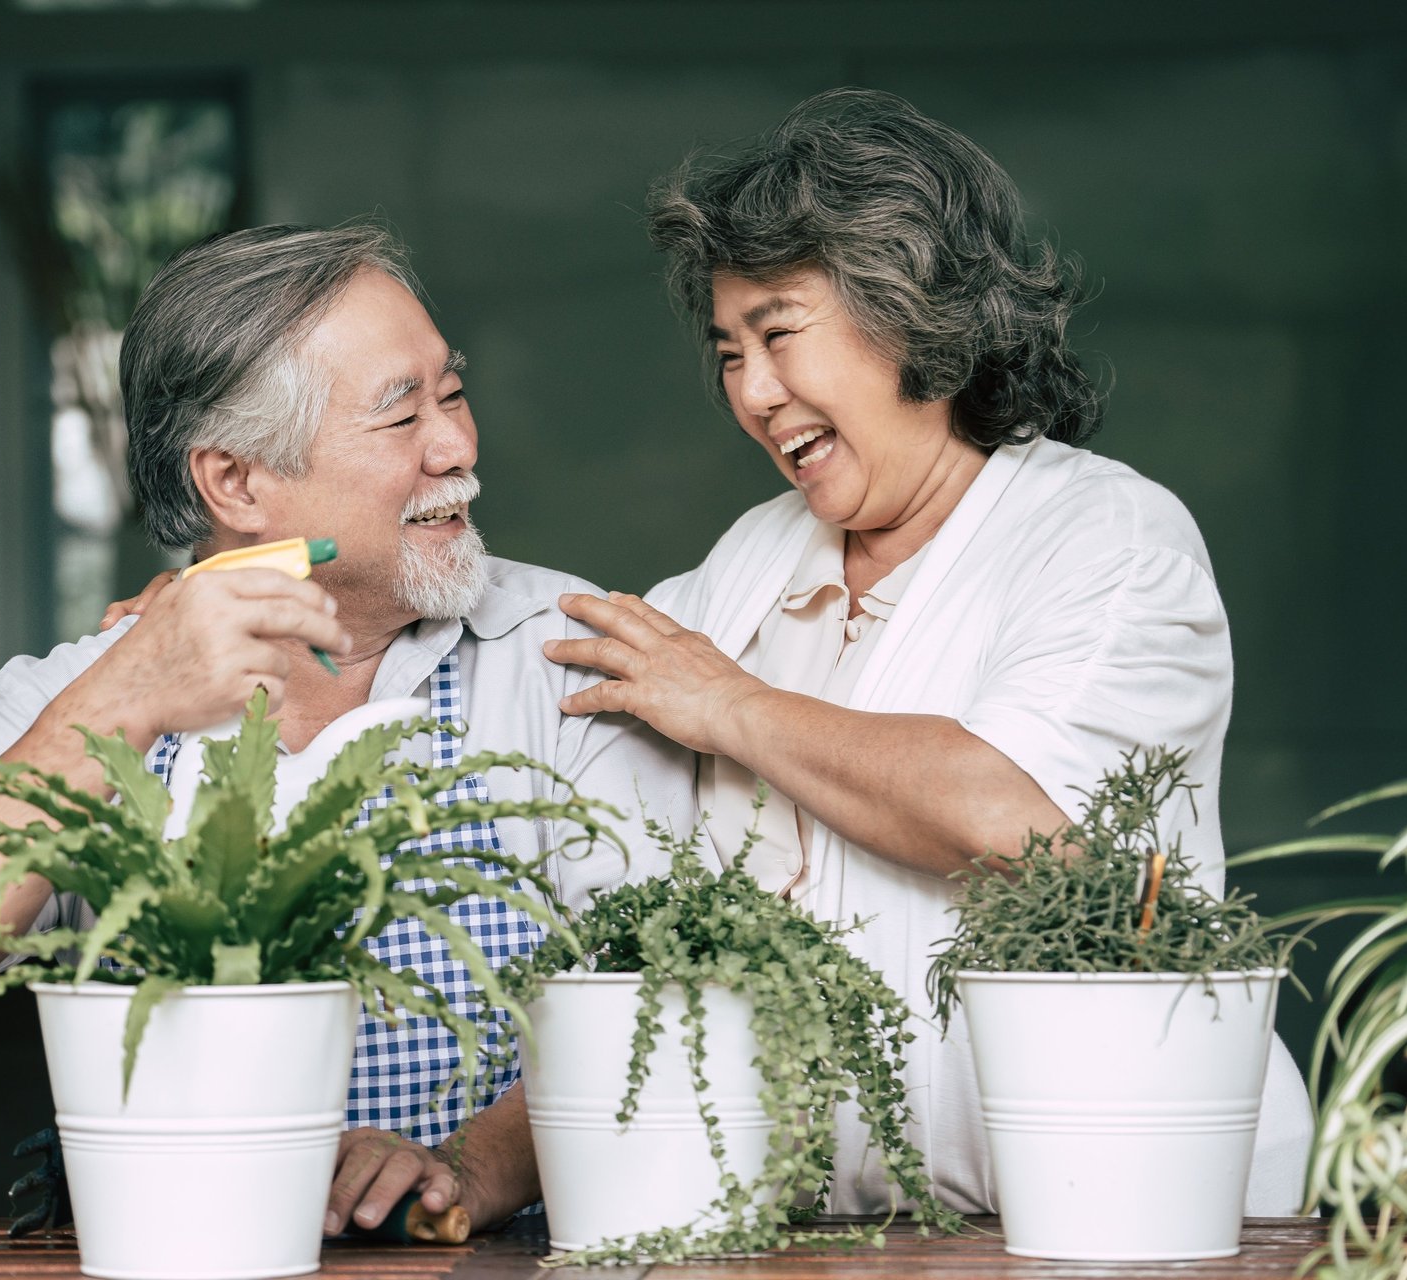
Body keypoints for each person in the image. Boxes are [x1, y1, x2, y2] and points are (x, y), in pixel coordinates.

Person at [0, 224, 693, 1237]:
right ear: (236, 483)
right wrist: (126, 694)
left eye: (450, 393)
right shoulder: (72, 700)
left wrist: (466, 1166)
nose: (456, 445)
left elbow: (663, 991)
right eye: (401, 413)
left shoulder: (568, 653)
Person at [536, 88, 1313, 1215]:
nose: (750, 393)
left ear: (913, 314)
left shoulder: (1107, 537)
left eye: (779, 334)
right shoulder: (745, 565)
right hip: (846, 1237)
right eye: (727, 351)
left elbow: (1023, 820)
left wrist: (733, 706)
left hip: (1117, 1212)